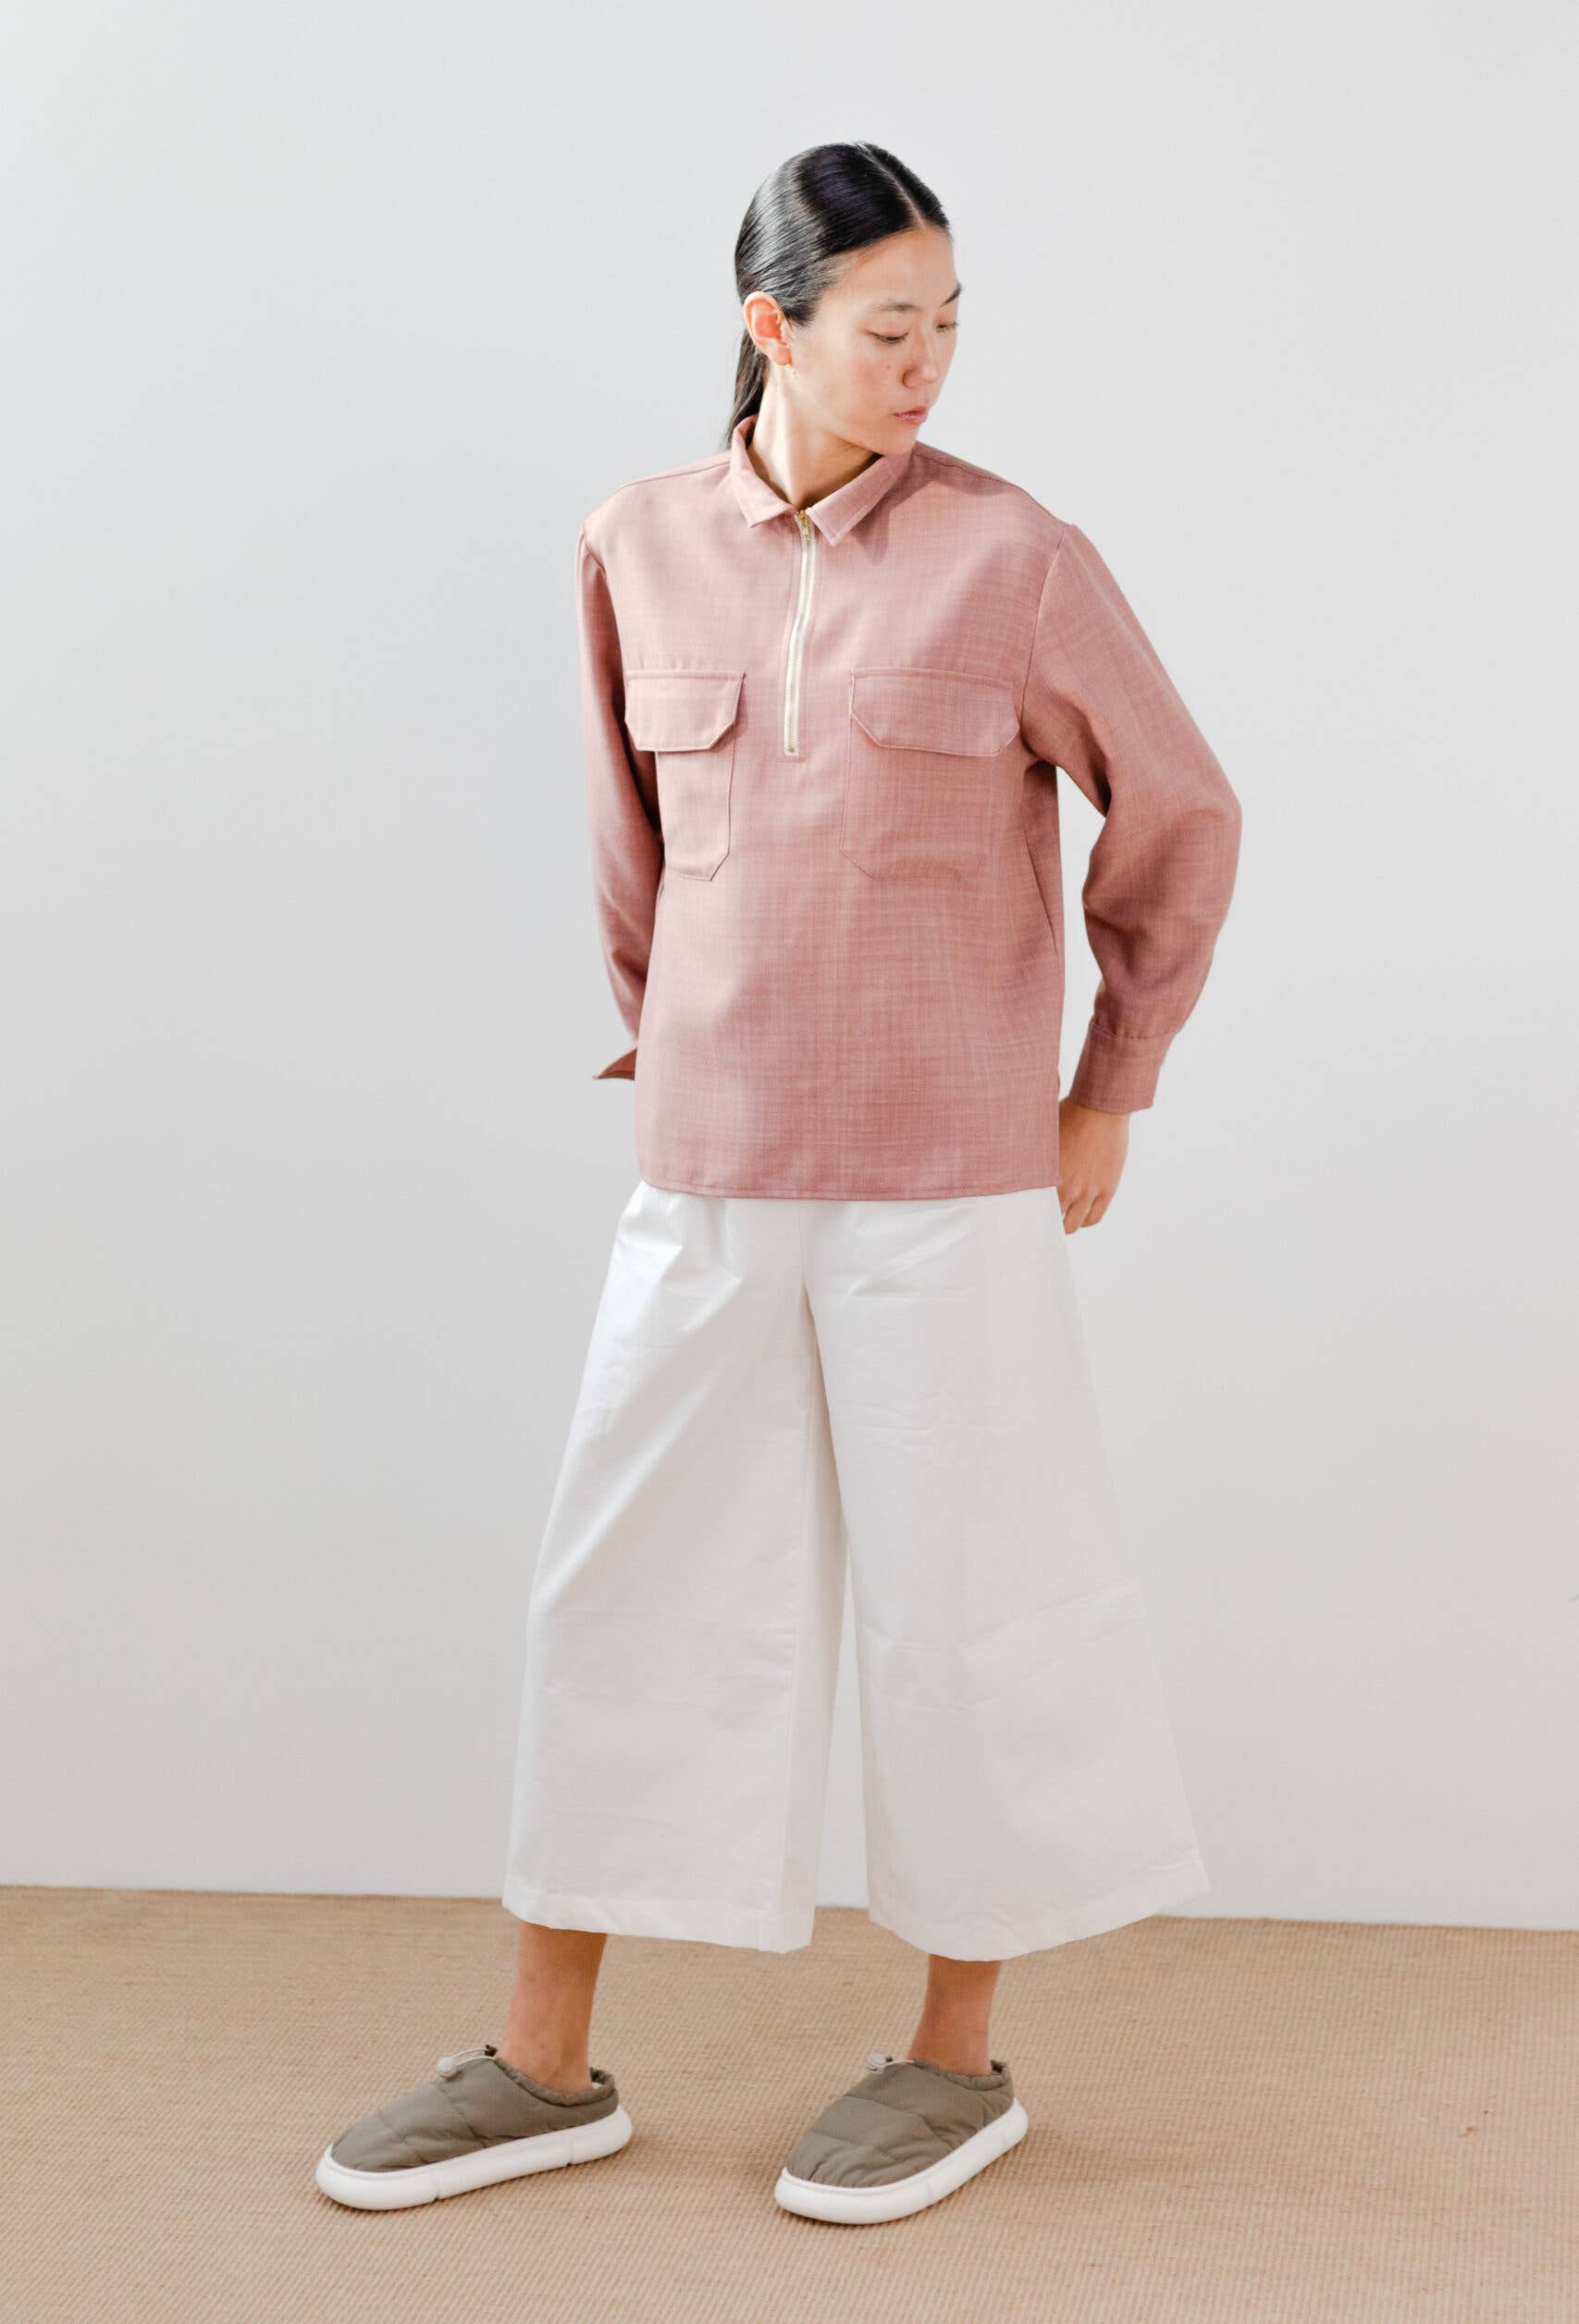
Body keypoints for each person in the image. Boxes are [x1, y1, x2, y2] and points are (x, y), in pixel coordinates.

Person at [314, 140, 1242, 2228]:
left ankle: (953, 2057)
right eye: (887, 325)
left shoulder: (1015, 557)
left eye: (949, 325)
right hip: (715, 1163)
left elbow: (1181, 808)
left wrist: (1109, 1087)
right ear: (772, 325)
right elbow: (626, 850)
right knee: (622, 1588)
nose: (928, 363)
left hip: (952, 1176)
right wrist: (675, 1057)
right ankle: (544, 2060)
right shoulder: (635, 542)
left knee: (967, 1601)